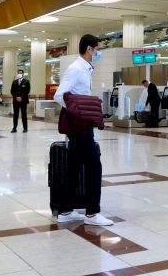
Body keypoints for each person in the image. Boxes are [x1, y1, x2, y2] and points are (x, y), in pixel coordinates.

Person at [53, 34, 113, 226]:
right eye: (97, 49)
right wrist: (76, 113)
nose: (98, 53)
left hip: (82, 125)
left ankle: (66, 210)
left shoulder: (85, 69)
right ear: (89, 49)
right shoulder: (77, 69)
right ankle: (92, 213)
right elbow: (60, 95)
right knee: (95, 166)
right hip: (79, 126)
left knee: (74, 167)